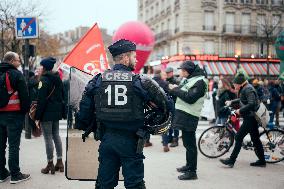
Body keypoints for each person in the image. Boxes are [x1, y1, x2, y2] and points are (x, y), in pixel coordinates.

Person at [75, 39, 173, 189]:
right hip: (131, 141)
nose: (136, 59)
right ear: (126, 58)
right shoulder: (141, 81)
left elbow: (83, 115)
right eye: (134, 56)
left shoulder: (98, 80)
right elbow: (167, 105)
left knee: (104, 184)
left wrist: (93, 126)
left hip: (107, 140)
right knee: (135, 185)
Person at [168, 61, 208, 180]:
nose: (181, 72)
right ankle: (188, 165)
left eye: (183, 70)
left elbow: (190, 98)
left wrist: (175, 90)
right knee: (186, 142)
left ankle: (192, 171)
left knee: (190, 144)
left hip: (190, 115)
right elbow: (183, 91)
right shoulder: (191, 79)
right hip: (185, 115)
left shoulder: (200, 82)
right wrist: (175, 89)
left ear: (188, 71)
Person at [220, 73, 266, 168]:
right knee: (255, 139)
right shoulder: (245, 88)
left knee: (238, 137)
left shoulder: (248, 89)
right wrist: (231, 102)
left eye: (235, 84)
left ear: (240, 83)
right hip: (251, 117)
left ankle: (231, 160)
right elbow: (242, 99)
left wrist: (239, 110)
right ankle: (262, 161)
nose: (234, 86)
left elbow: (251, 103)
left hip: (251, 118)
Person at [0, 51, 31, 184]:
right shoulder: (16, 74)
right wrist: (24, 112)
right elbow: (24, 96)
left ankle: (1, 173)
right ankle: (15, 174)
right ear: (12, 61)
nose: (19, 62)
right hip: (13, 114)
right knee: (13, 145)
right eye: (18, 60)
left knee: (1, 145)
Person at [35, 57, 65, 174]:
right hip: (56, 112)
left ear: (44, 67)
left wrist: (37, 116)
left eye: (41, 66)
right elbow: (62, 96)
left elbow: (41, 100)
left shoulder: (43, 80)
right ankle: (60, 162)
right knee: (56, 136)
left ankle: (50, 164)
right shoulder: (58, 79)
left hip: (46, 113)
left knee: (48, 138)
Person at [152, 69, 171, 152]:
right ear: (160, 74)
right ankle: (165, 145)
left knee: (147, 124)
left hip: (150, 106)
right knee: (163, 125)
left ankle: (146, 142)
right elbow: (168, 95)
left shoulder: (149, 82)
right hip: (162, 106)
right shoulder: (164, 83)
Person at [165, 67, 180, 147]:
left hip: (175, 104)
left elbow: (178, 92)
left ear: (172, 72)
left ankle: (175, 139)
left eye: (168, 73)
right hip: (168, 104)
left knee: (175, 123)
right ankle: (170, 138)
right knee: (169, 122)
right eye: (166, 73)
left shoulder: (176, 81)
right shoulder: (166, 81)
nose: (167, 74)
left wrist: (171, 89)